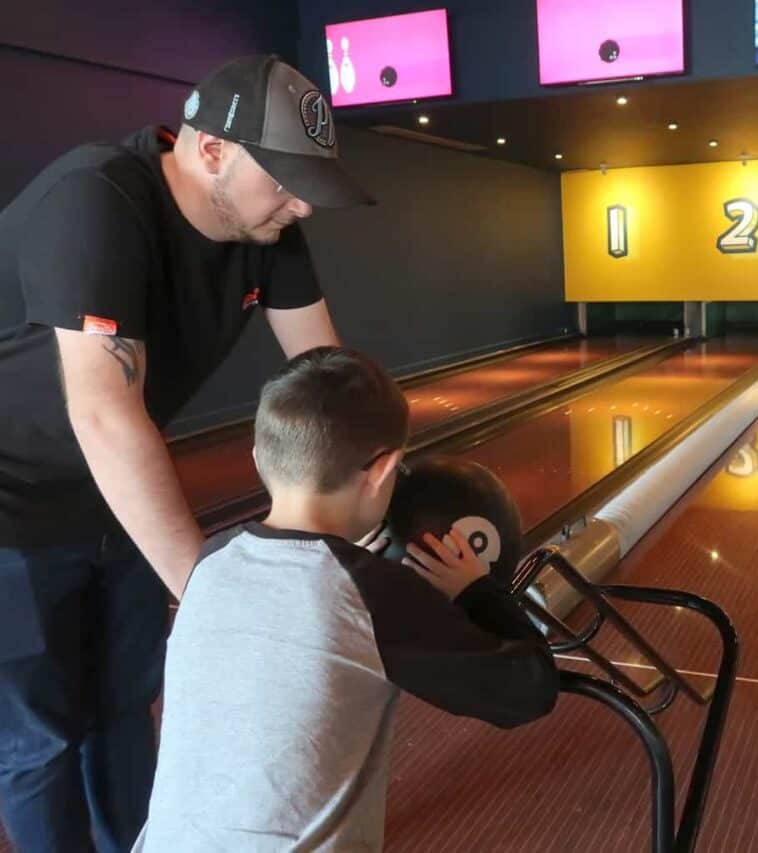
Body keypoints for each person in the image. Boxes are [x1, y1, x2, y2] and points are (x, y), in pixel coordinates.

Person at [0, 55, 373, 851]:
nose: (301, 202)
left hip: (115, 493)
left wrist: (384, 506)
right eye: (285, 180)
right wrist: (223, 606)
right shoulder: (95, 199)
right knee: (42, 740)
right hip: (11, 501)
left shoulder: (269, 228)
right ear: (211, 151)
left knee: (127, 708)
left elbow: (327, 375)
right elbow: (104, 413)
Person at [132, 347, 559, 851]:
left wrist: (339, 557)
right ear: (384, 471)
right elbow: (528, 691)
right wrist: (474, 591)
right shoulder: (368, 590)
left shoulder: (212, 560)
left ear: (259, 457)